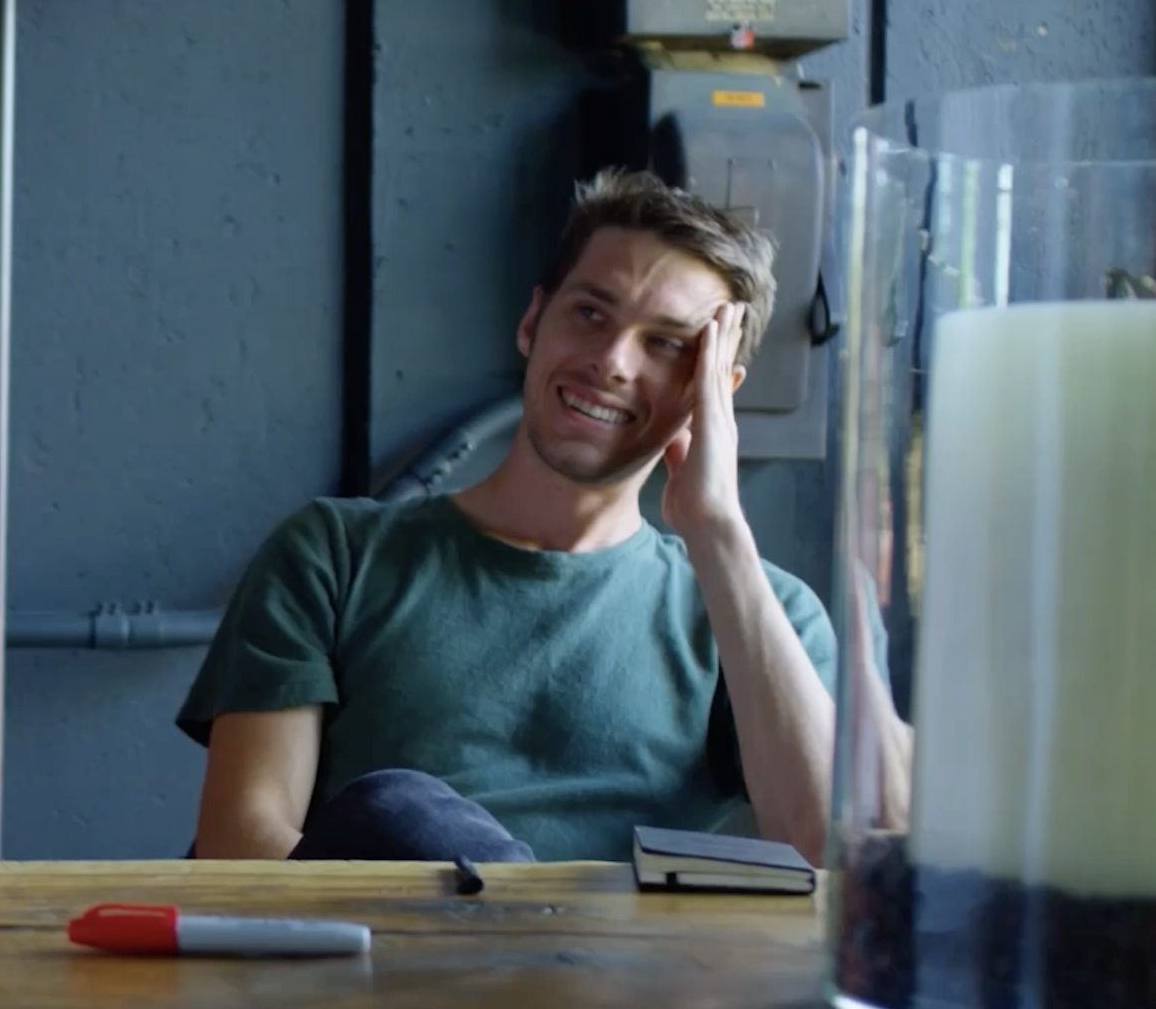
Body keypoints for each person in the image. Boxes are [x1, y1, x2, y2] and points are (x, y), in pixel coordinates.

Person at [175, 168, 911, 868]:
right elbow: (243, 846)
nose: (613, 361)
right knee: (401, 811)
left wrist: (718, 531)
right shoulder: (335, 554)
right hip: (383, 976)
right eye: (591, 313)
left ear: (716, 391)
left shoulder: (762, 610)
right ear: (533, 321)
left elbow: (826, 853)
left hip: (626, 985)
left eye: (666, 344)